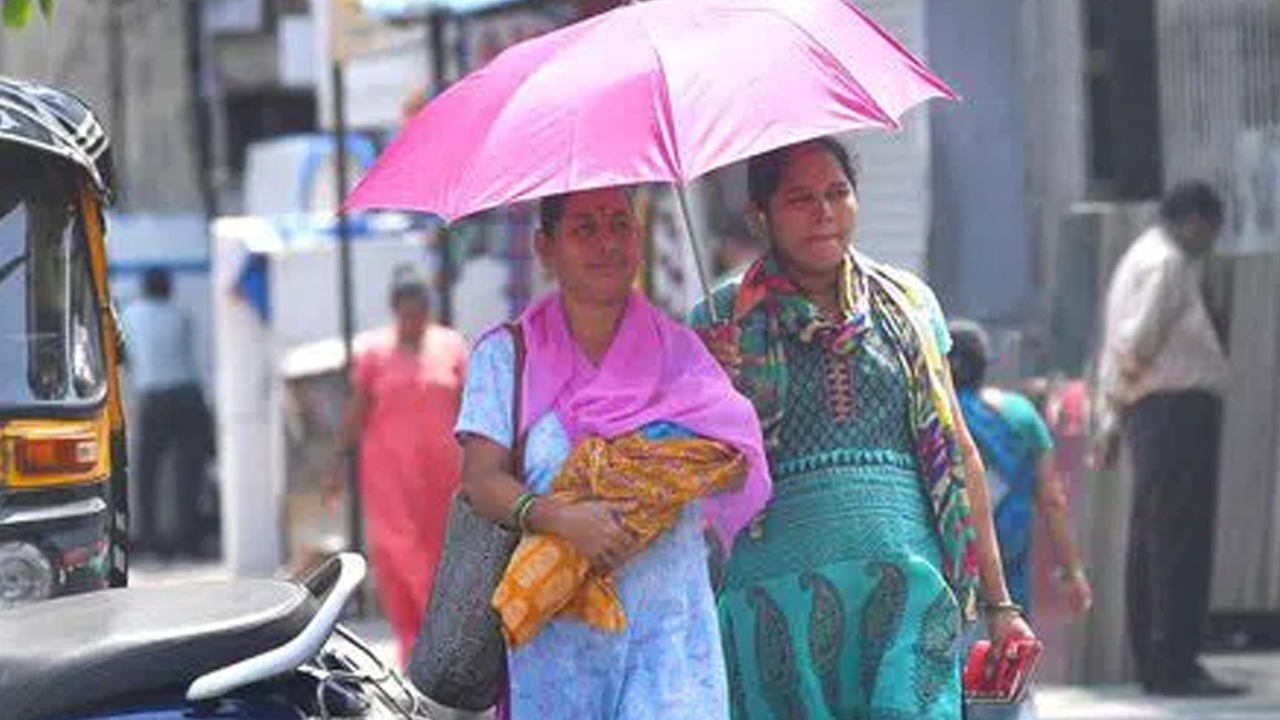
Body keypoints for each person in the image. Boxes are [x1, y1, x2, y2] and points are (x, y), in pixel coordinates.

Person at [690, 138, 1035, 720]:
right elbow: (700, 474)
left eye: (837, 192)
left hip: (909, 593)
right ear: (760, 215)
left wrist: (1000, 603)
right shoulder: (719, 322)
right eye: (800, 198)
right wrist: (711, 389)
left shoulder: (909, 304)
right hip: (776, 607)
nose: (823, 211)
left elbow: (960, 454)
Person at [454, 187, 771, 719]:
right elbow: (481, 481)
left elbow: (734, 468)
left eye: (619, 225)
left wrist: (713, 405)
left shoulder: (684, 352)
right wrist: (561, 518)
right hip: (559, 657)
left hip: (671, 647)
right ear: (545, 247)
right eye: (584, 229)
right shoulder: (507, 356)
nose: (607, 243)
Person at [1096, 181, 1239, 697]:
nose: (1211, 242)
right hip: (1173, 409)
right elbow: (1138, 342)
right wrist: (1112, 413)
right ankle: (1174, 664)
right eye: (1212, 230)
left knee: (1154, 538)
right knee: (1180, 539)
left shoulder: (1140, 257)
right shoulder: (1168, 263)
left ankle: (1156, 661)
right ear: (1196, 221)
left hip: (1150, 411)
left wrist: (1112, 417)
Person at [948, 320, 1093, 720]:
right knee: (1001, 689)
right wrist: (1072, 571)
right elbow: (1051, 501)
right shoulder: (1020, 415)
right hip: (1007, 579)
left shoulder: (932, 415)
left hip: (945, 570)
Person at [329, 263, 469, 664]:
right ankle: (417, 649)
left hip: (443, 479)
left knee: (442, 559)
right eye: (406, 314)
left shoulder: (452, 346)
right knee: (397, 558)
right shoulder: (374, 353)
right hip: (389, 479)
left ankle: (440, 650)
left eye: (419, 312)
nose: (413, 322)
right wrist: (337, 466)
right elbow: (356, 411)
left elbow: (472, 409)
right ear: (395, 311)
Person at [121, 267, 212, 561]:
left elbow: (127, 357)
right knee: (188, 472)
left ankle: (150, 542)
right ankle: (186, 540)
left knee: (147, 473)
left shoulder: (130, 314)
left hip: (153, 397)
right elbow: (190, 357)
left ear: (145, 289)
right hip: (188, 395)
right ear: (168, 289)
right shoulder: (181, 315)